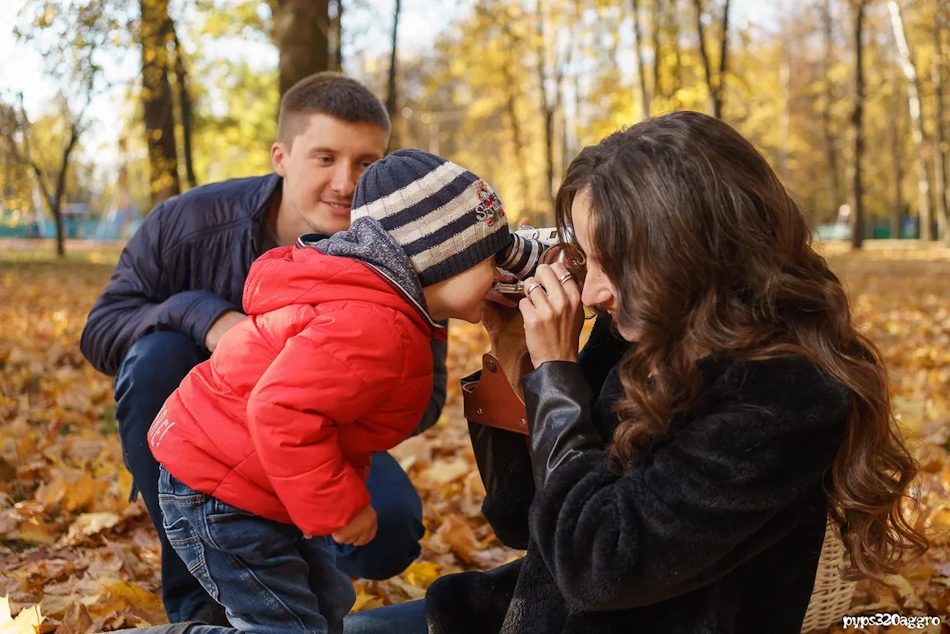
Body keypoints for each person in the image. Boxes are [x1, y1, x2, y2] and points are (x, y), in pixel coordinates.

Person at [335, 111, 930, 634]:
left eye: (614, 263)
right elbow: (519, 520)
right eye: (587, 260)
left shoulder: (787, 393)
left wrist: (558, 375)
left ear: (696, 252)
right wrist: (516, 361)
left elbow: (599, 566)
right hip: (518, 612)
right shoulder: (637, 333)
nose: (591, 290)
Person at [80, 73, 449, 626]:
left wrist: (321, 382)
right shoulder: (189, 222)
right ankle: (197, 601)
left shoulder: (403, 251)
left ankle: (287, 586)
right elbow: (102, 328)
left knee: (389, 528)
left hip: (315, 437)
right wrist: (205, 318)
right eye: (324, 157)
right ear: (281, 156)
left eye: (367, 163)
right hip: (201, 439)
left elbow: (427, 399)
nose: (346, 183)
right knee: (154, 359)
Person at [149, 150, 511, 634]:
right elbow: (282, 410)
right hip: (220, 491)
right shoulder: (372, 325)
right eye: (491, 258)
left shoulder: (395, 311)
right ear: (439, 260)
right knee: (285, 624)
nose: (500, 271)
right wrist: (342, 508)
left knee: (327, 604)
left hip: (263, 485)